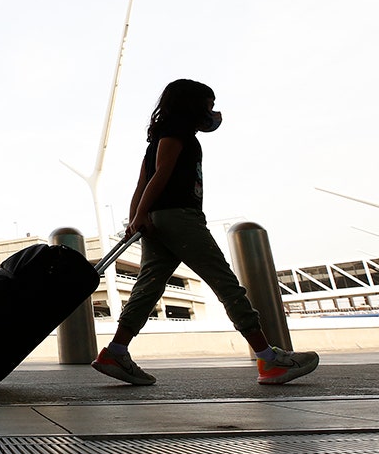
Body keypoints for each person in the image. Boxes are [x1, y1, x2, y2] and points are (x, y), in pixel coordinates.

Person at [91, 79, 319, 386]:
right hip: (180, 218)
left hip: (159, 219)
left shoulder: (158, 138)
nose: (212, 112)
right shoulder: (176, 134)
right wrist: (140, 215)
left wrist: (138, 217)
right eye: (208, 105)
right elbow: (161, 175)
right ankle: (269, 359)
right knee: (225, 283)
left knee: (148, 287)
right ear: (193, 106)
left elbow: (141, 183)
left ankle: (116, 351)